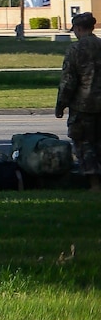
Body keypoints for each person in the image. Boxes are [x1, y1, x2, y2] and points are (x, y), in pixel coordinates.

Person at [56, 12, 100, 191]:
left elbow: (69, 81)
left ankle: (95, 184)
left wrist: (61, 104)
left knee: (84, 144)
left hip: (83, 106)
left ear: (78, 28)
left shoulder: (75, 50)